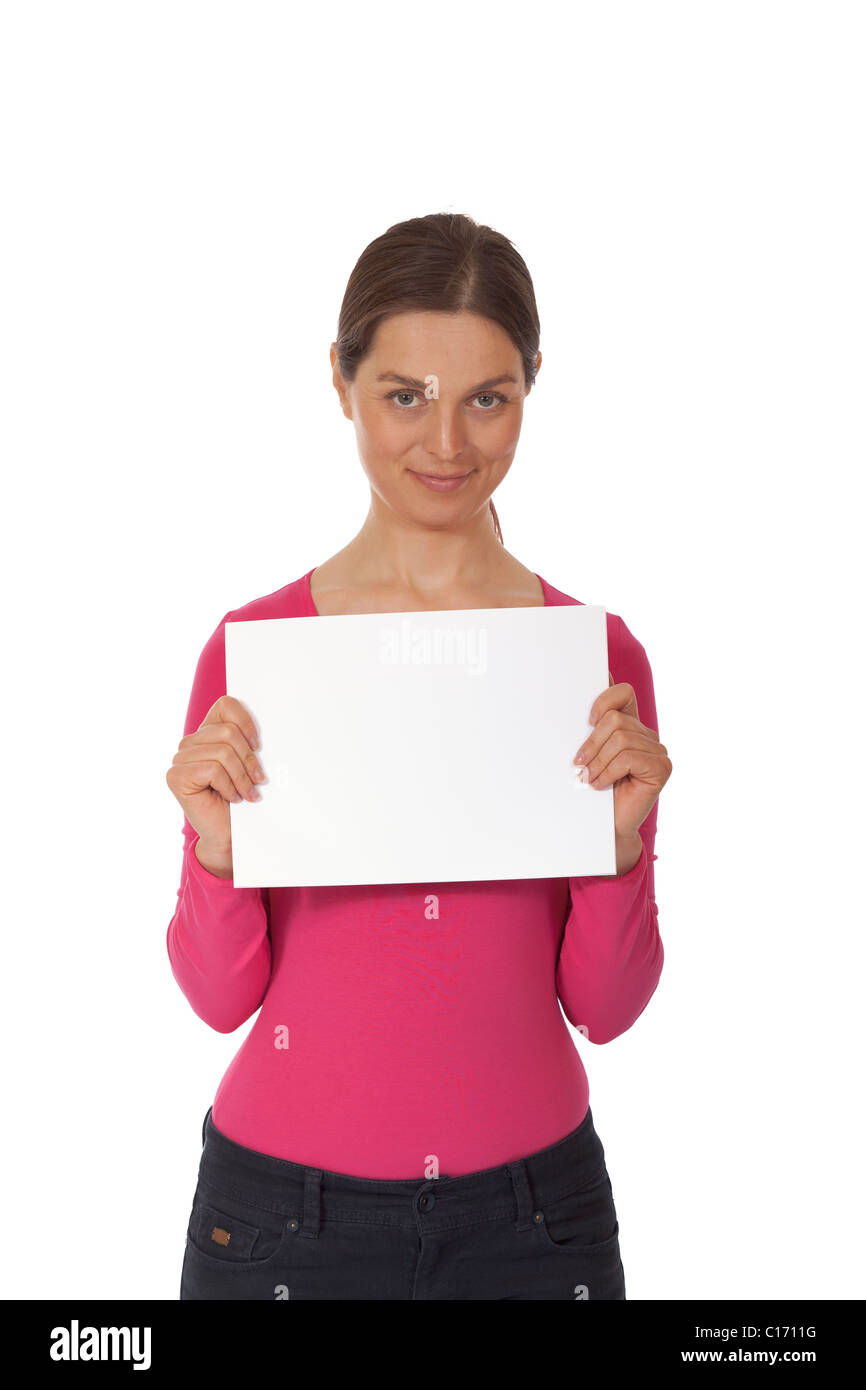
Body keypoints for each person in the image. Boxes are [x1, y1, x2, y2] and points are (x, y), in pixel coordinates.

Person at [164, 211, 672, 1301]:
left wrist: (616, 847)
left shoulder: (590, 654)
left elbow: (608, 1006)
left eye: (487, 397)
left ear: (531, 386)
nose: (446, 445)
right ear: (339, 383)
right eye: (405, 394)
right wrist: (215, 854)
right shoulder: (254, 652)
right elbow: (217, 998)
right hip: (280, 1222)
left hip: (535, 1219)